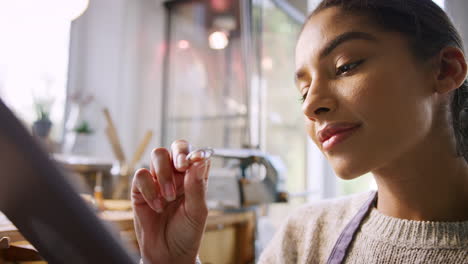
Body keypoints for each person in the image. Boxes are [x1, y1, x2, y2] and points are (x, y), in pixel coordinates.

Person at [131, 0, 468, 263]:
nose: (310, 107)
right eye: (303, 91)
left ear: (445, 69)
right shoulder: (306, 236)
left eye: (345, 66)